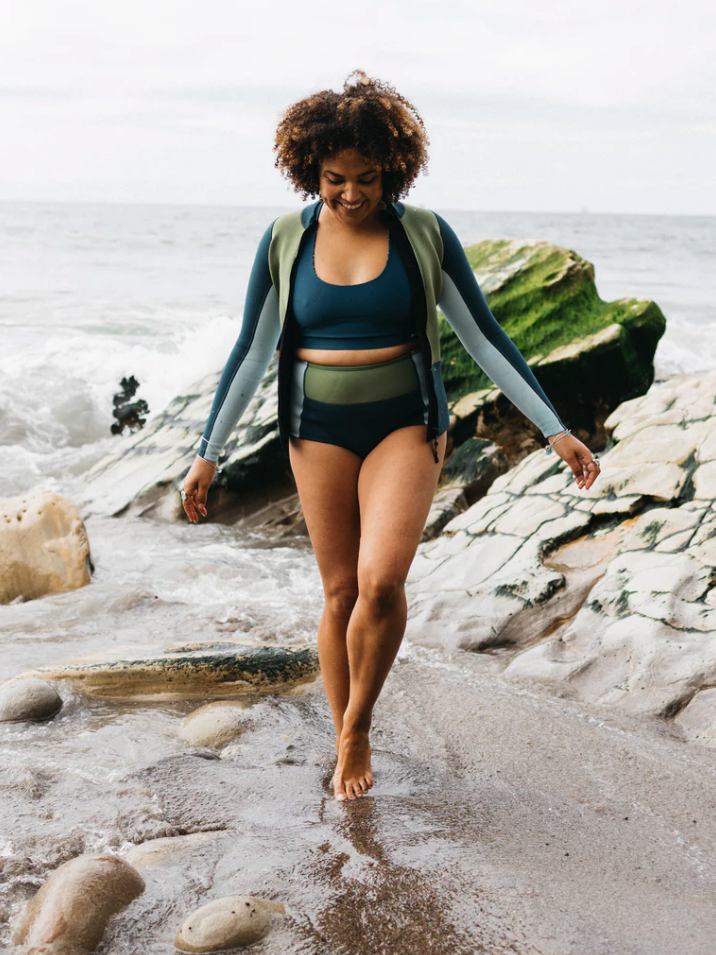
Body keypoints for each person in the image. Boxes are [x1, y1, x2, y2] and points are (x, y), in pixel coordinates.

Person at [180, 70, 601, 802]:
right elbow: (252, 349)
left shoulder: (423, 234)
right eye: (334, 179)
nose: (350, 194)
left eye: (367, 179)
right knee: (339, 592)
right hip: (316, 430)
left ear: (393, 170)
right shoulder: (286, 238)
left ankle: (357, 729)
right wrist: (209, 452)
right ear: (309, 170)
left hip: (407, 424)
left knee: (381, 581)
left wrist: (554, 429)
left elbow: (483, 336)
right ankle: (342, 724)